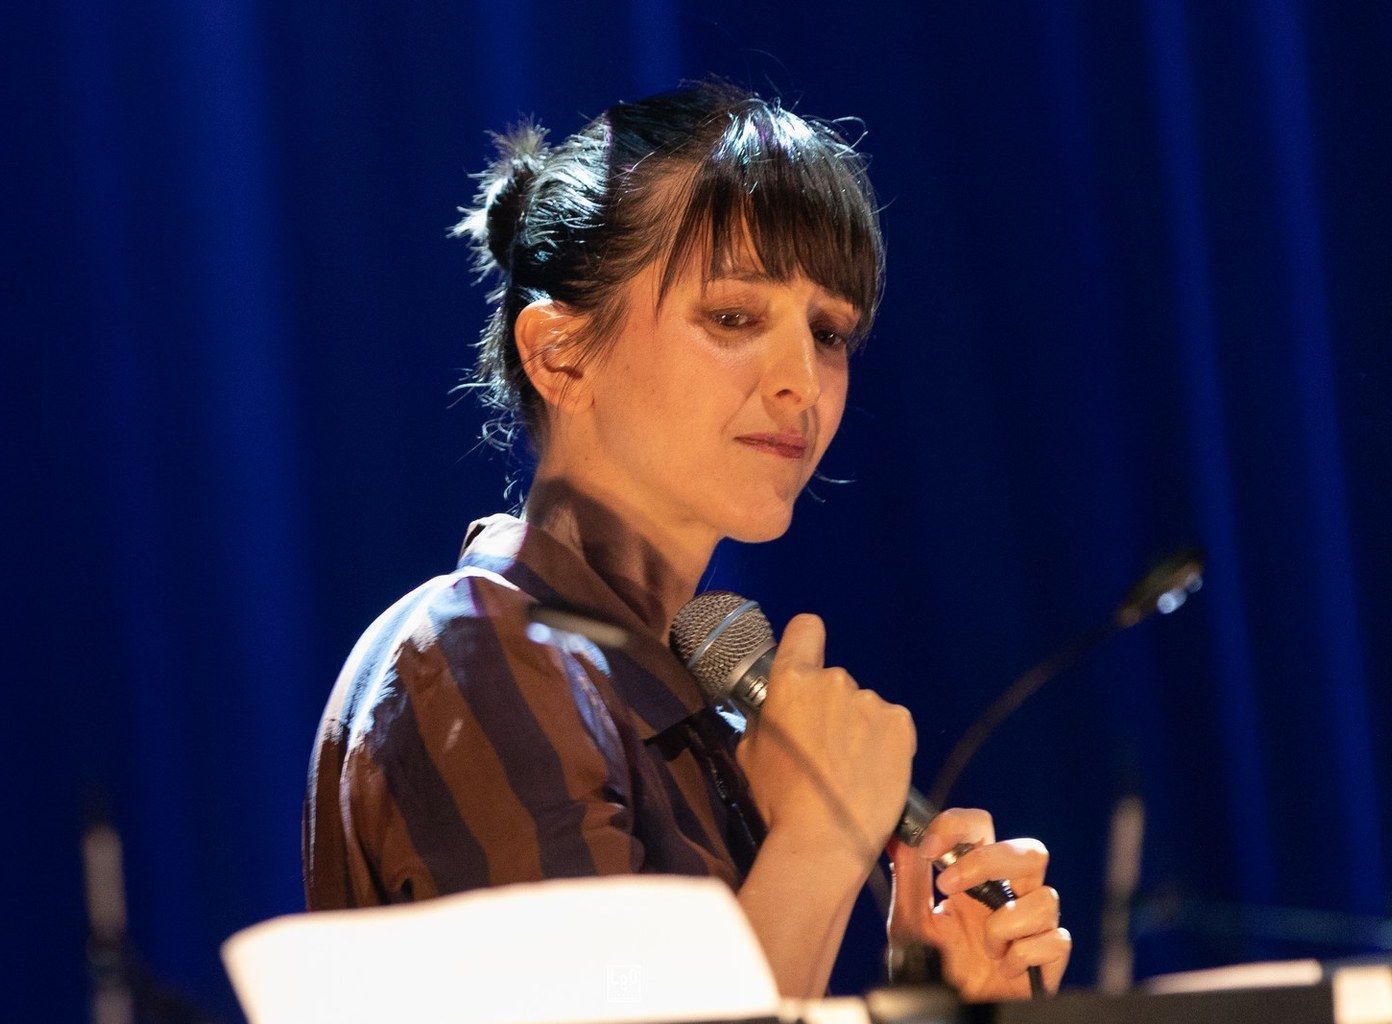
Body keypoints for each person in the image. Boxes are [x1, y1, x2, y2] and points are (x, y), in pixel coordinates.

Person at [303, 80, 1071, 1001]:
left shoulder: (687, 697)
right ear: (559, 354)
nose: (802, 382)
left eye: (829, 333)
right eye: (734, 318)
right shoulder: (477, 650)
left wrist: (937, 1000)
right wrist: (822, 842)